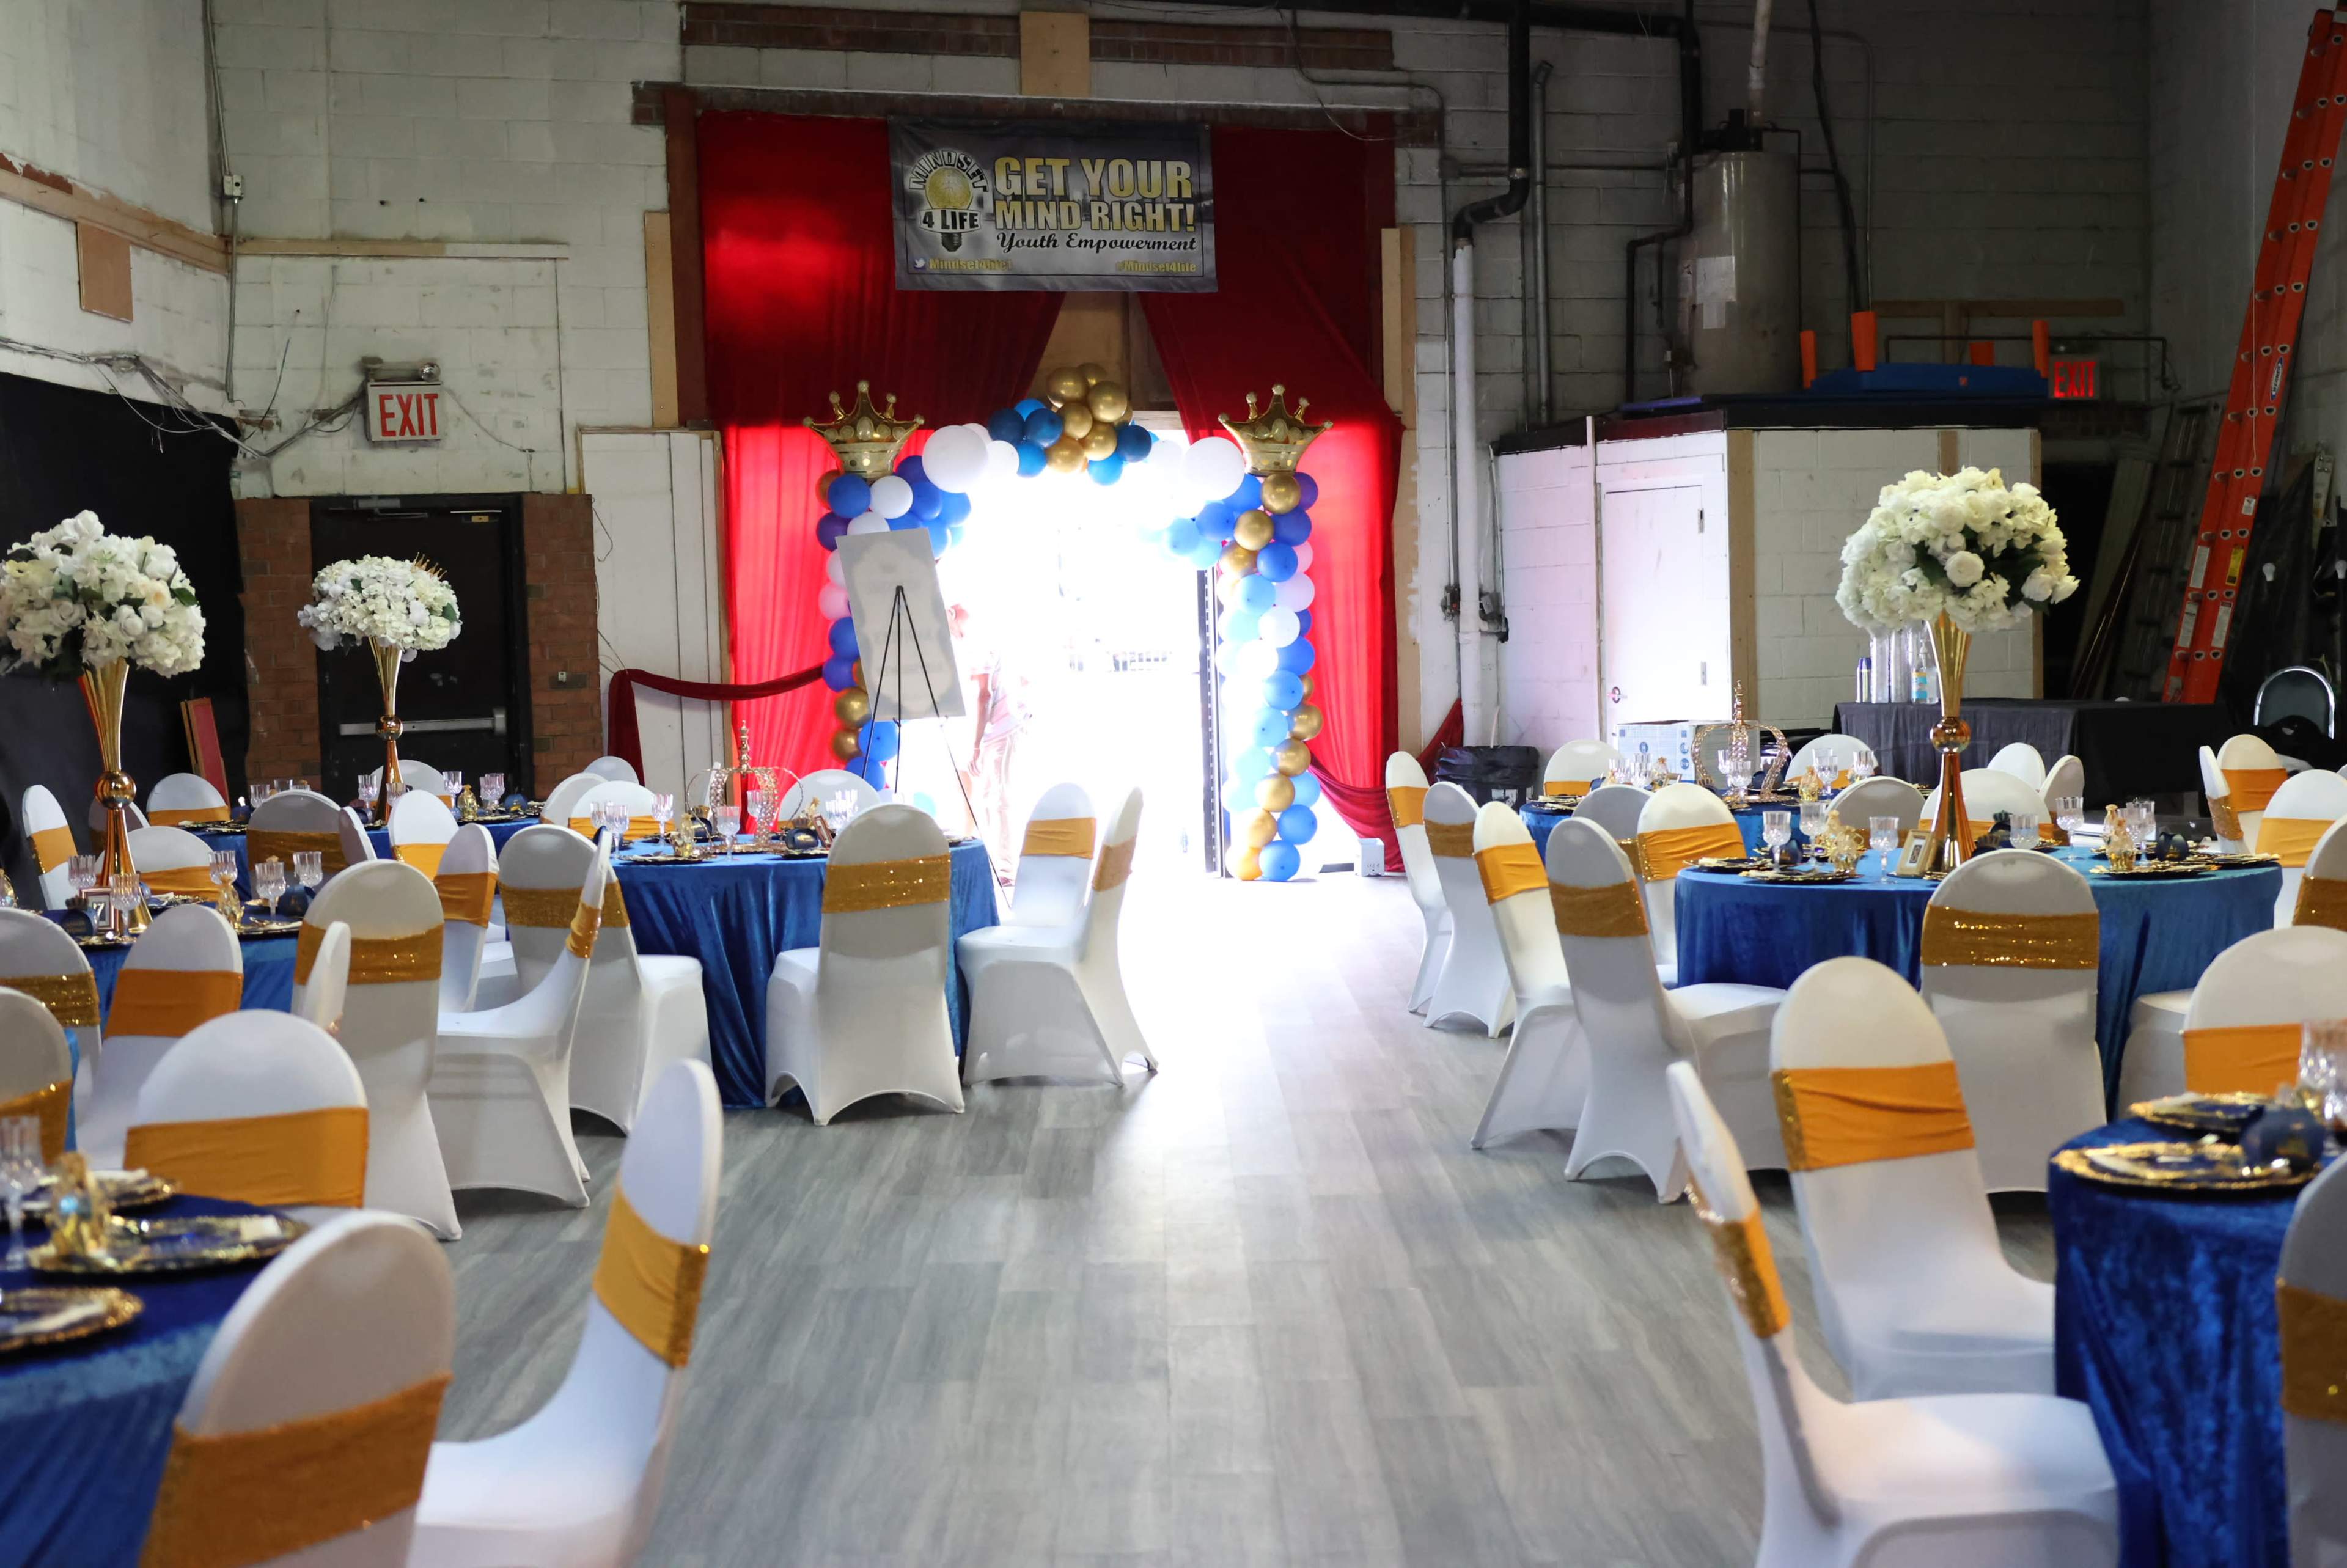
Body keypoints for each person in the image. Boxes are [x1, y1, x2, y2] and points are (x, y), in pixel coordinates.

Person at [950, 601, 1029, 881]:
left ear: (952, 615)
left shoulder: (977, 645)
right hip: (1000, 728)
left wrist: (975, 744)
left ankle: (1006, 868)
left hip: (1002, 729)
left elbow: (984, 696)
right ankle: (998, 863)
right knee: (988, 798)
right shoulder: (979, 644)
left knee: (998, 799)